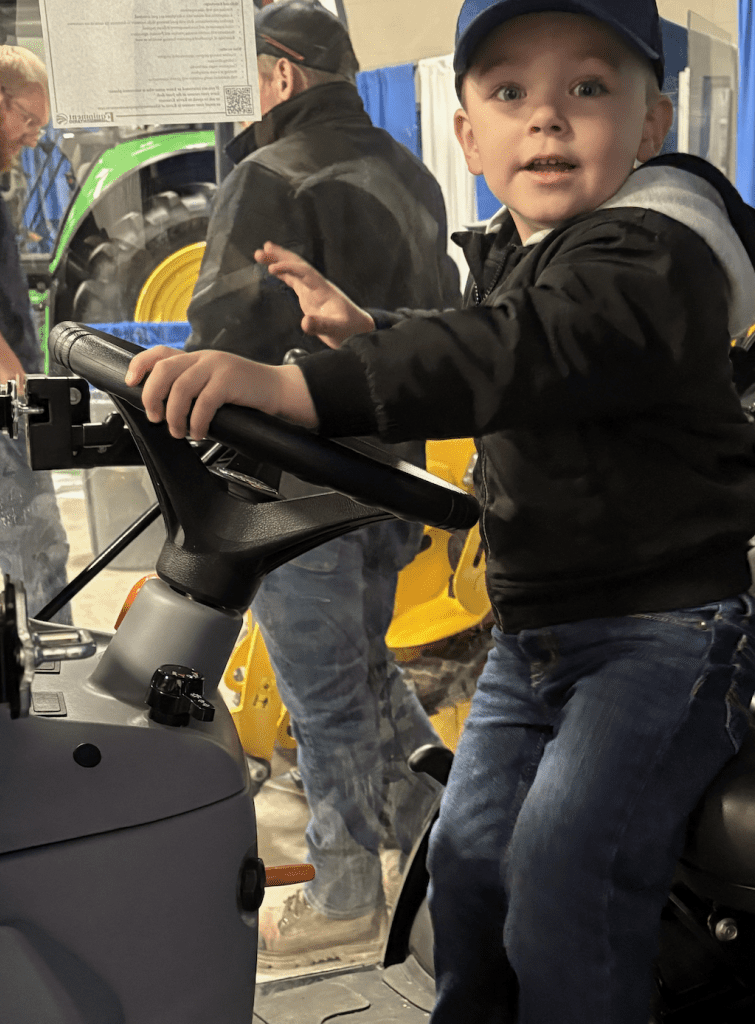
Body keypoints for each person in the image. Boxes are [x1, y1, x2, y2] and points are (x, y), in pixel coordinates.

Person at [126, 0, 755, 1018]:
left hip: (663, 636)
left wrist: (299, 385)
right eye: (511, 92)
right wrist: (372, 328)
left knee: (561, 886)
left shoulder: (655, 253)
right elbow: (497, 333)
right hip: (540, 639)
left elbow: (525, 346)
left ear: (652, 124)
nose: (548, 118)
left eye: (589, 88)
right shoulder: (542, 253)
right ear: (469, 134)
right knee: (467, 865)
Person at [183, 0, 461, 966]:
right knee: (367, 669)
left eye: (248, 75)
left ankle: (345, 892)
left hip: (291, 486)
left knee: (323, 697)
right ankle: (448, 827)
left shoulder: (269, 173)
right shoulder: (418, 174)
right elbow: (441, 328)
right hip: (392, 477)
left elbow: (218, 336)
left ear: (283, 75)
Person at [0, 46, 71, 624]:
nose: (34, 137)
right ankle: (51, 693)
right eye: (29, 119)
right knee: (37, 554)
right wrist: (17, 380)